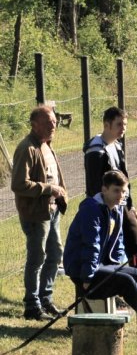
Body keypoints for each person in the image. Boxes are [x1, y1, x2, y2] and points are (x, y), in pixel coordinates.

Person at [63, 170, 137, 329]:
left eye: (124, 191)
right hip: (82, 271)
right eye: (116, 190)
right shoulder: (91, 210)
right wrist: (87, 278)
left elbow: (118, 244)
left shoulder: (116, 209)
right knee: (127, 282)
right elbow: (91, 246)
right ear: (104, 190)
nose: (121, 195)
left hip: (103, 266)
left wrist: (120, 266)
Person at [11, 105, 68, 321]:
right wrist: (48, 189)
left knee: (55, 254)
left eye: (55, 122)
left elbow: (55, 177)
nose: (53, 125)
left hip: (52, 211)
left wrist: (60, 194)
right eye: (48, 123)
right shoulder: (27, 148)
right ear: (35, 125)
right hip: (35, 214)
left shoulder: (46, 145)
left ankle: (46, 299)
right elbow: (19, 184)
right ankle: (32, 306)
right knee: (37, 258)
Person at [84, 107, 137, 266]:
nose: (123, 128)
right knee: (108, 243)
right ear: (107, 125)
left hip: (121, 202)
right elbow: (94, 186)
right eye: (119, 124)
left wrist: (130, 205)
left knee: (133, 237)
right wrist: (105, 209)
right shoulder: (96, 150)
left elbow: (124, 178)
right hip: (106, 206)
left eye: (124, 124)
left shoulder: (117, 146)